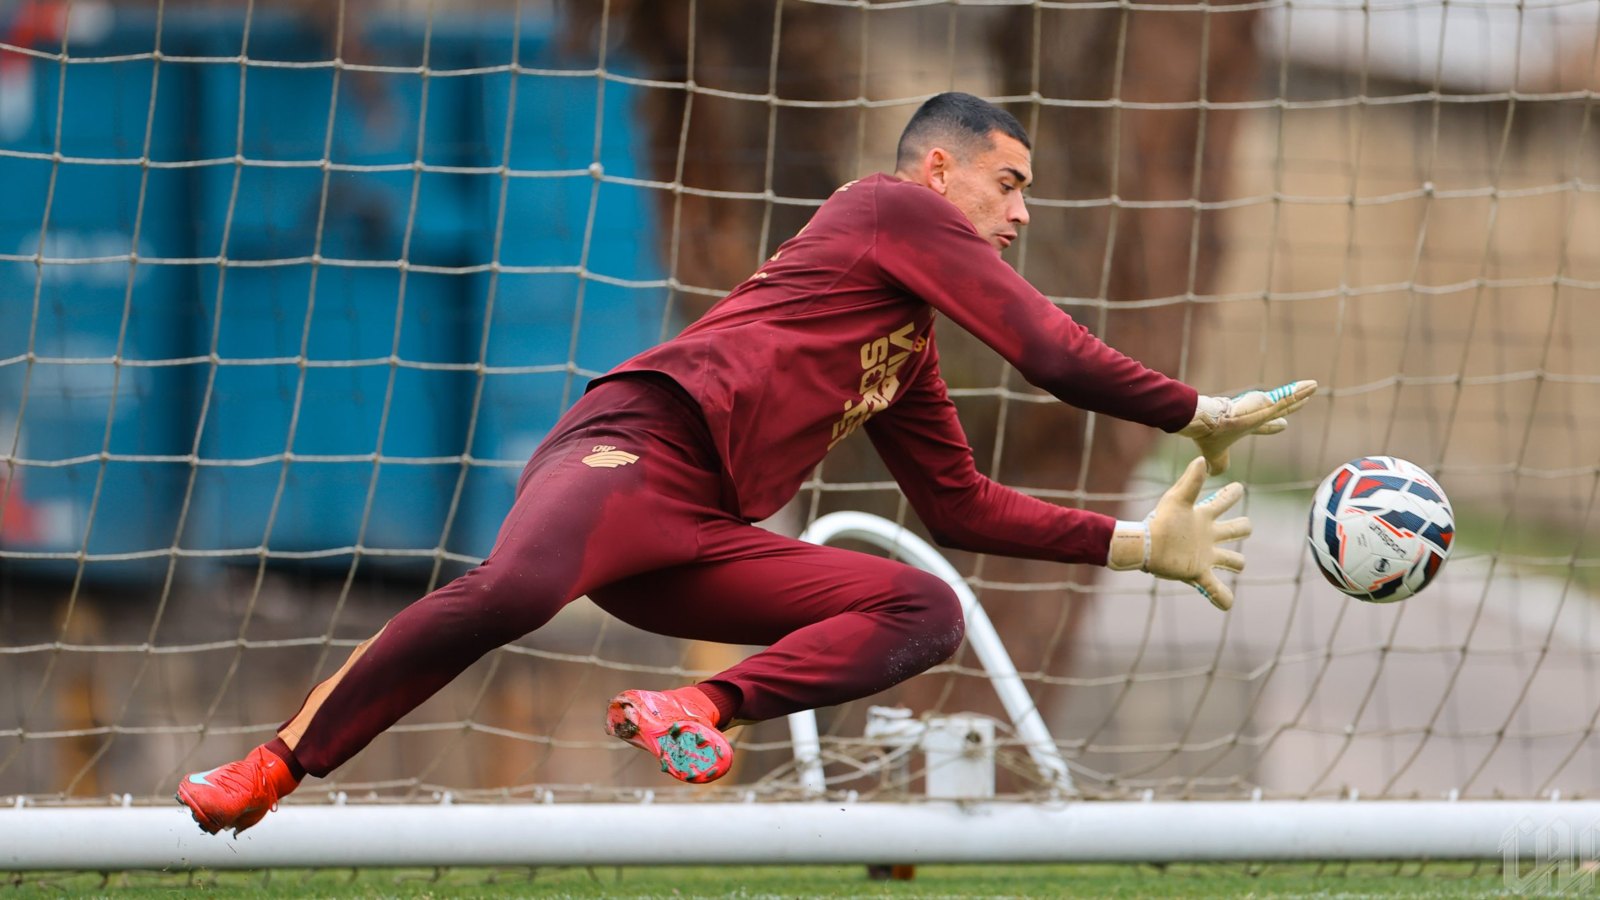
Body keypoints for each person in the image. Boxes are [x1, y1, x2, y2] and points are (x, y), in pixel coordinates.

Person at [175, 91, 1315, 835]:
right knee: (515, 593)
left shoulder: (902, 349)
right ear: (935, 171)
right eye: (1007, 183)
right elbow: (1047, 351)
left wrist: (1132, 543)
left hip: (698, 535)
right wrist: (1195, 410)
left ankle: (701, 704)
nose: (1018, 211)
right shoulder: (887, 209)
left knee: (922, 610)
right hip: (629, 450)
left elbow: (959, 506)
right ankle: (274, 766)